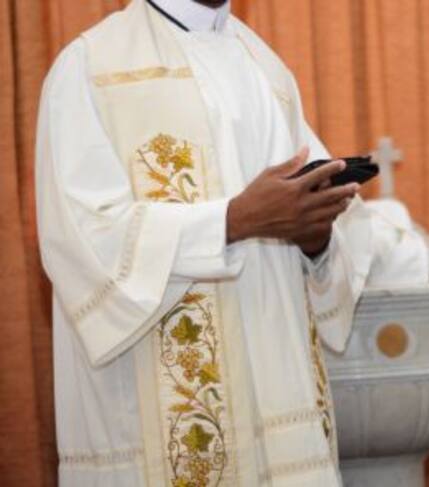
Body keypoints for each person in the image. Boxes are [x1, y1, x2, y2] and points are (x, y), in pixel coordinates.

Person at [35, 0, 376, 485]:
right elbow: (82, 242)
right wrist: (231, 222)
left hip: (280, 399)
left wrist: (315, 238)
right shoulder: (92, 67)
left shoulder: (266, 67)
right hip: (161, 424)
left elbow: (332, 227)